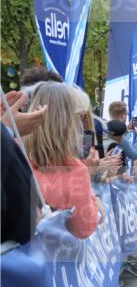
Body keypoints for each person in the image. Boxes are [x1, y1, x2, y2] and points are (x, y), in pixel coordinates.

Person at [23, 82, 103, 239]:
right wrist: (87, 178)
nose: (81, 124)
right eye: (79, 117)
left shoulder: (11, 150)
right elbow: (83, 228)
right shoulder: (74, 170)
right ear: (68, 122)